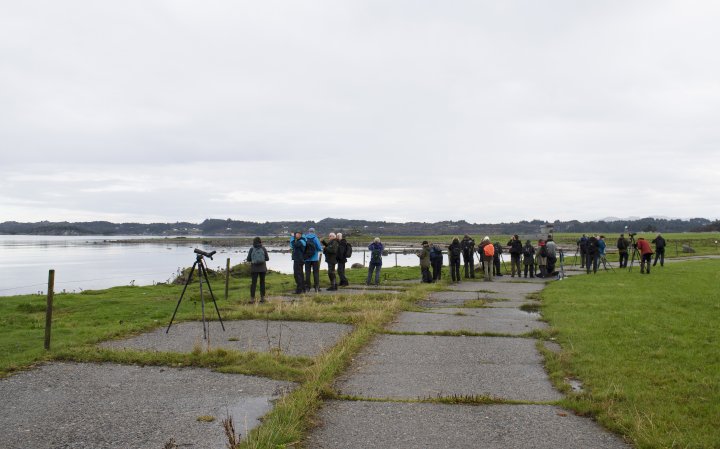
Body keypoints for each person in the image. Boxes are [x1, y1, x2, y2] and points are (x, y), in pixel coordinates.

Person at [246, 237, 269, 303]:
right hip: (263, 268)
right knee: (262, 283)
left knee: (253, 283)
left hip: (254, 268)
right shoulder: (263, 248)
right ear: (260, 241)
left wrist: (254, 260)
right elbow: (267, 259)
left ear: (254, 242)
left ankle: (252, 299)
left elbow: (248, 259)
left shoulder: (251, 249)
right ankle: (262, 298)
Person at [303, 227, 323, 292]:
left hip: (307, 259)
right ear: (314, 232)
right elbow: (319, 248)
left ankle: (307, 287)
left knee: (307, 273)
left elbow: (303, 248)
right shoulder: (315, 238)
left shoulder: (305, 238)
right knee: (316, 273)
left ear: (308, 231)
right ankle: (316, 287)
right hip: (314, 259)